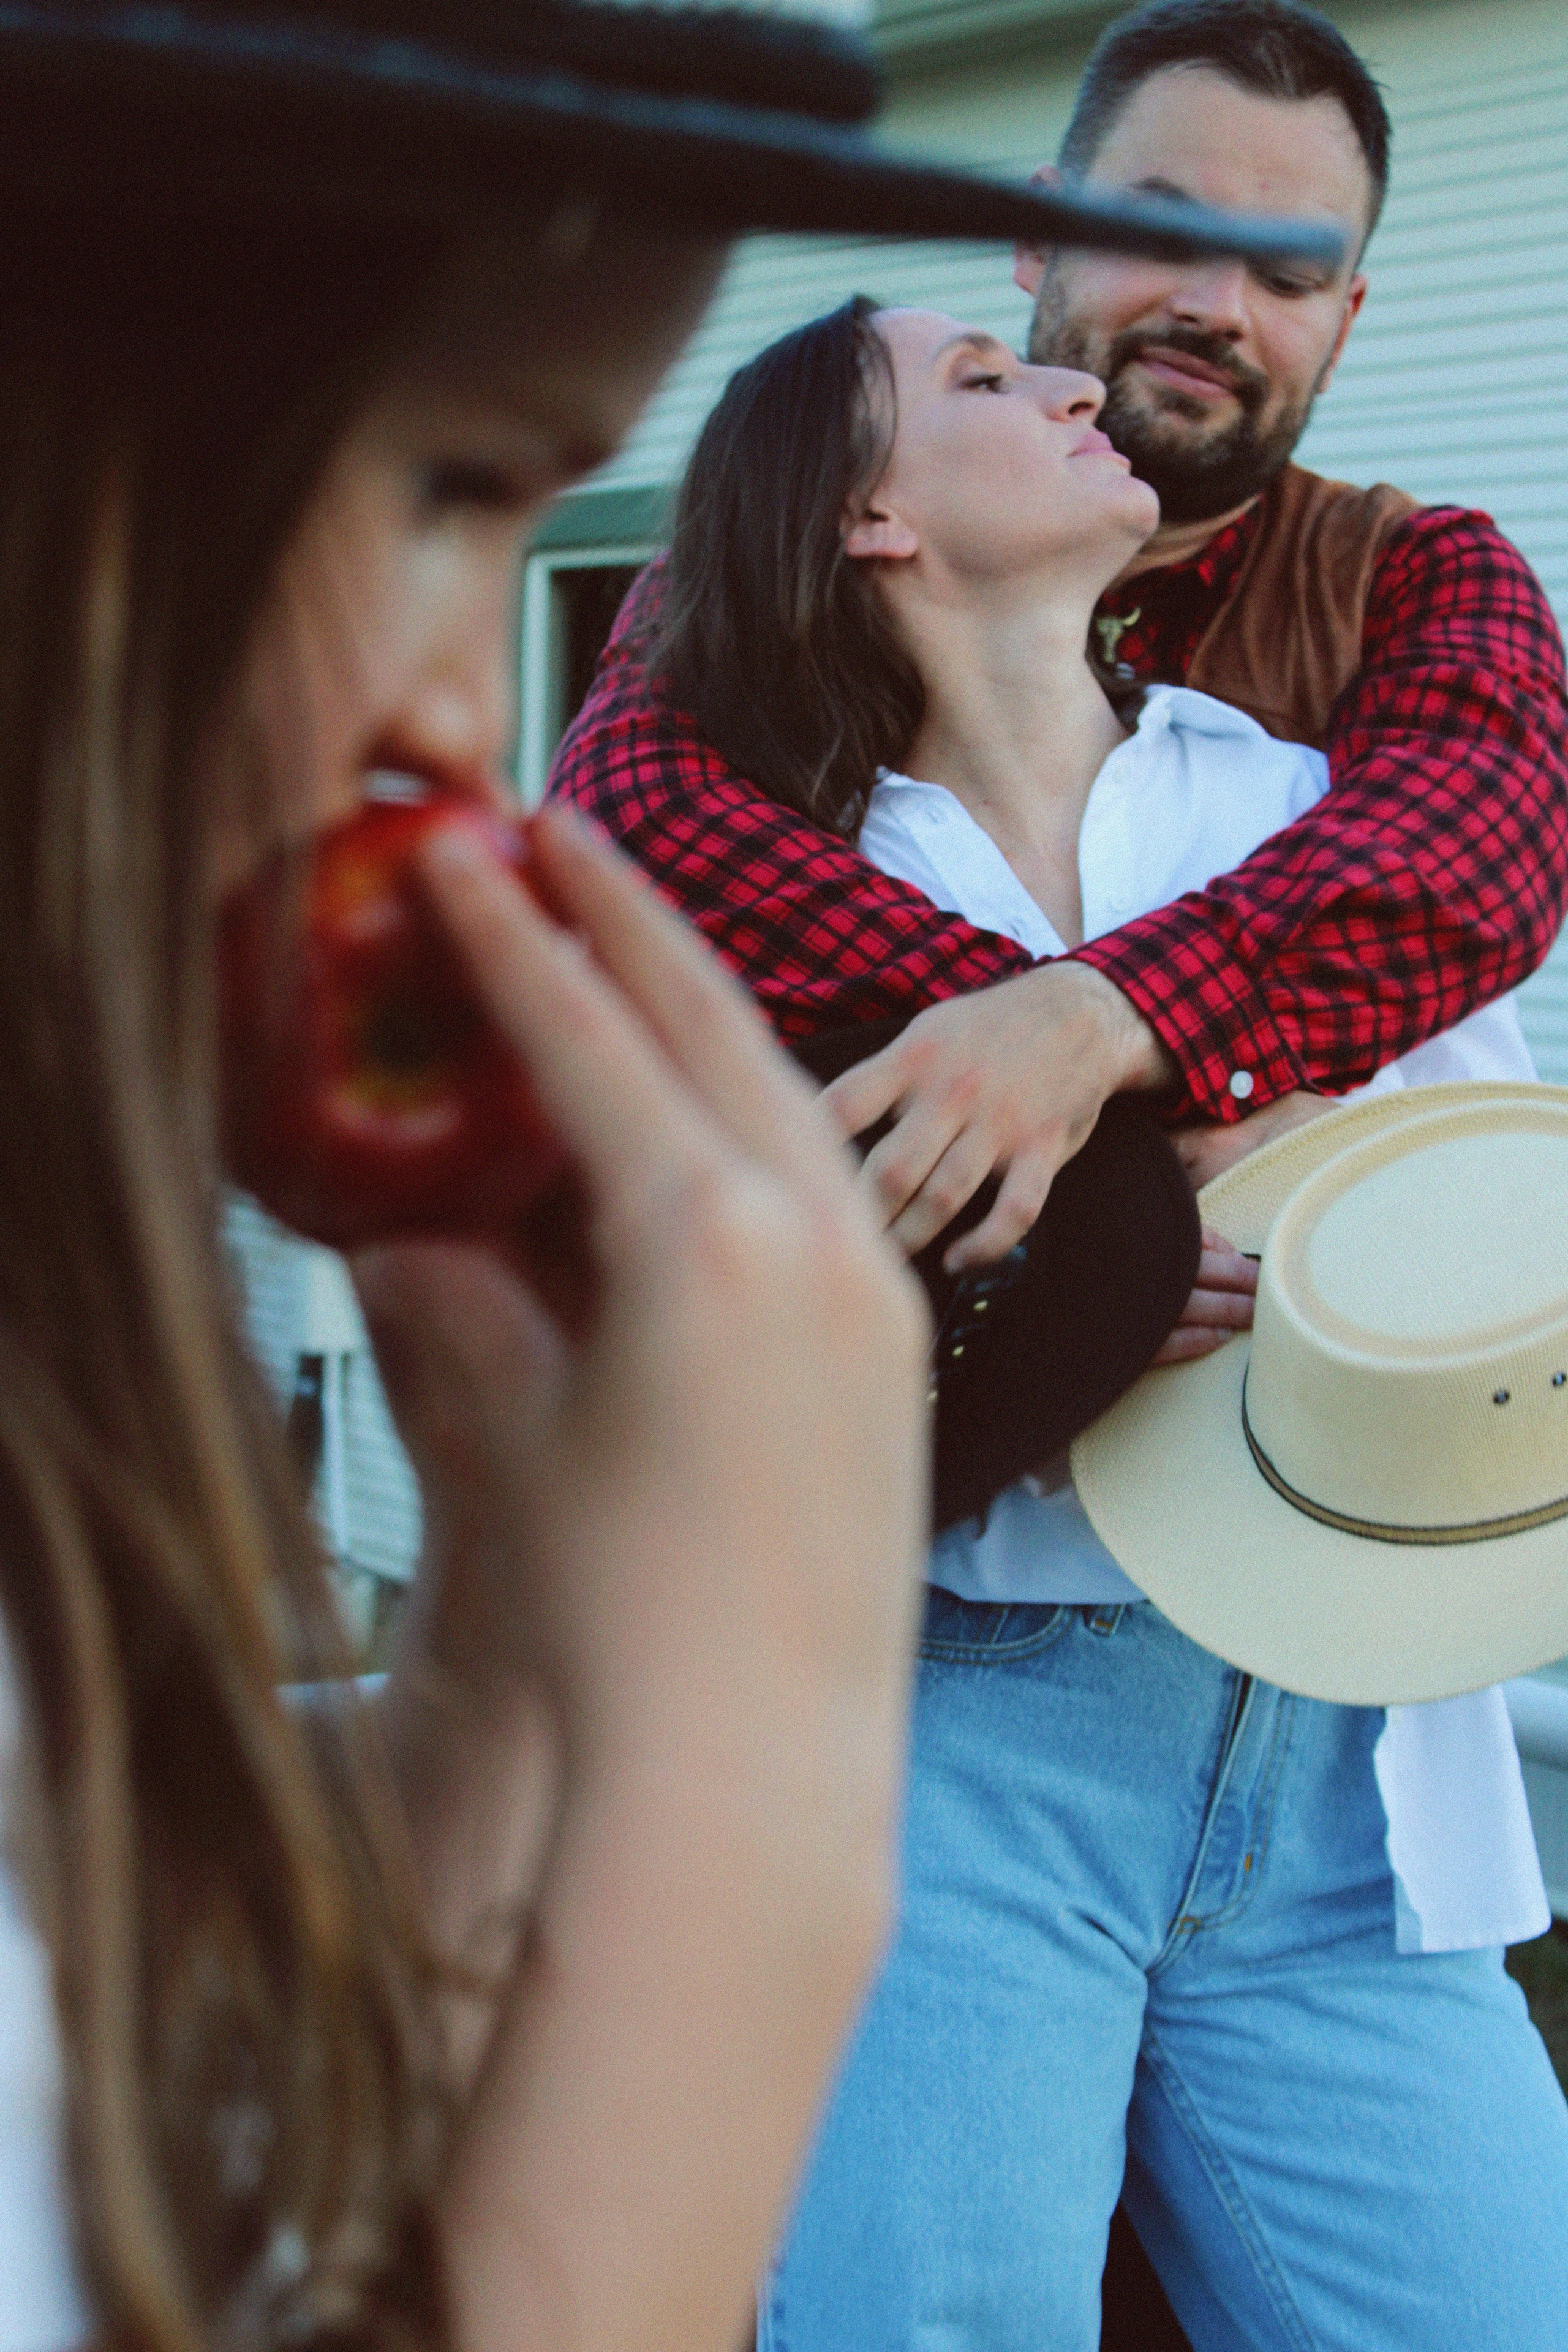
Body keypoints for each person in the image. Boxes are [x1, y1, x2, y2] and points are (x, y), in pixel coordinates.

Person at [0, 4, 1310, 2346]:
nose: (455, 723)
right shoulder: (746, 837)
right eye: (454, 491)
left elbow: (183, 2202)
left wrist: (504, 1636)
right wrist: (749, 1782)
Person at [655, 292, 1568, 2351]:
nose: (1073, 382)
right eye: (985, 379)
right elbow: (645, 1352)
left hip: (1346, 1756)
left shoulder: (1312, 815)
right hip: (941, 1735)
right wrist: (1015, 1311)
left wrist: (1198, 1185)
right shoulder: (756, 891)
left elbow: (1484, 1215)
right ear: (865, 513)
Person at [550, 0, 1568, 1287]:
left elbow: (1464, 861)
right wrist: (1110, 1146)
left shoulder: (1408, 575)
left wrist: (1090, 1030)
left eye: (1288, 275)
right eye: (1160, 229)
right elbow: (638, 830)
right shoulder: (782, 552)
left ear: (1344, 319)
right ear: (1038, 232)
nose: (1216, 306)